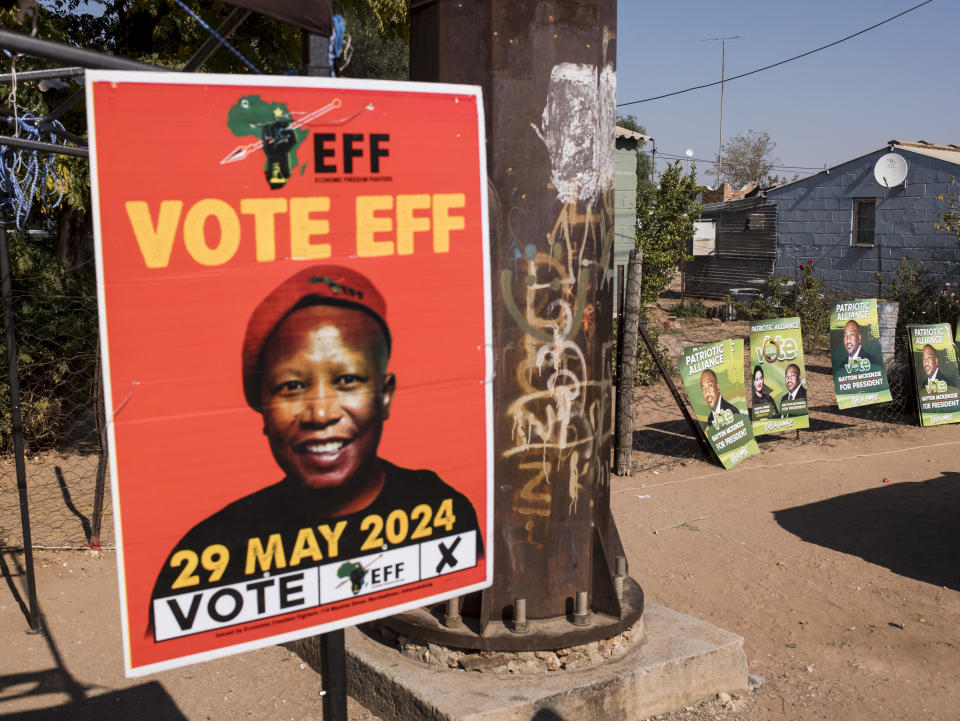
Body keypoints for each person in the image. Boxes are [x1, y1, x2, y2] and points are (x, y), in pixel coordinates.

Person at [149, 265, 482, 636]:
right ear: (263, 409)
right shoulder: (210, 552)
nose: (321, 413)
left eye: (347, 380)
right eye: (291, 386)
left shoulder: (445, 511)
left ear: (385, 395)